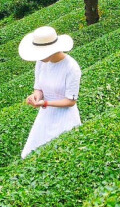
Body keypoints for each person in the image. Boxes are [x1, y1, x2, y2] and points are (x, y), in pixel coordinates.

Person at [18, 26, 82, 158]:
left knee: (63, 155)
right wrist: (36, 96)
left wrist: (45, 103)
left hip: (65, 117)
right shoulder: (41, 62)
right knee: (33, 154)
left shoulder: (71, 67)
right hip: (45, 116)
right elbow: (39, 87)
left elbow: (71, 101)